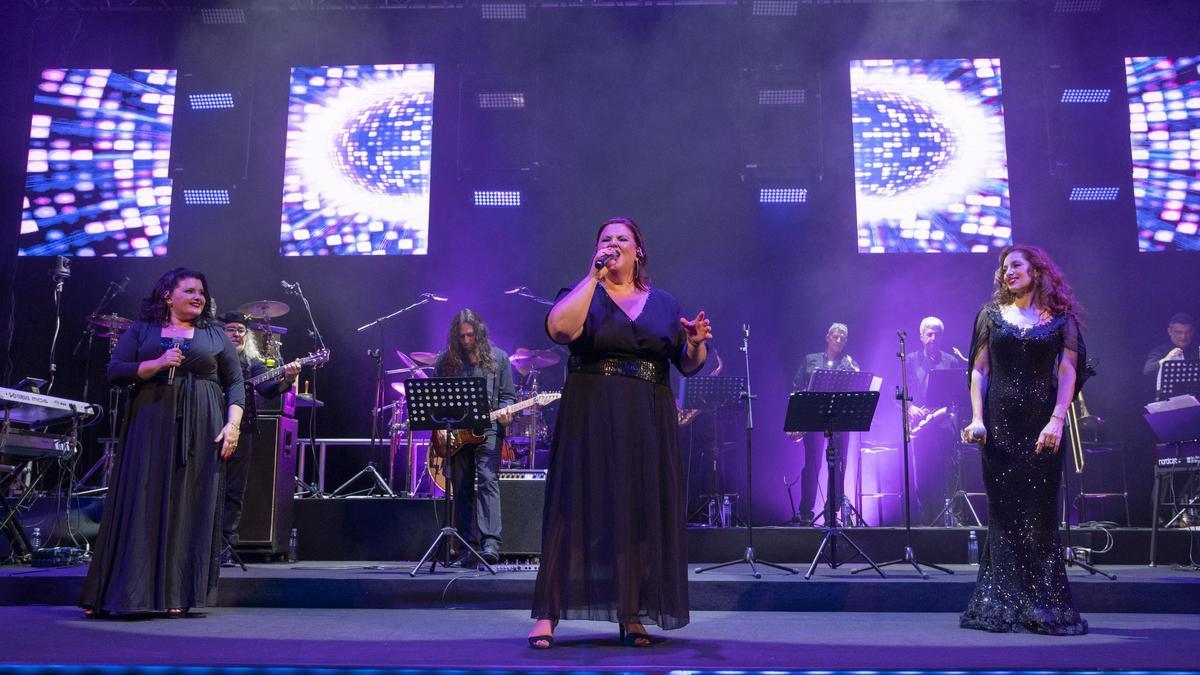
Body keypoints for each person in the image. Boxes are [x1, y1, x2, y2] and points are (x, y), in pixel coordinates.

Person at [529, 217, 711, 649]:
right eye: (605, 239)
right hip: (590, 410)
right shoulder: (581, 294)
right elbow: (560, 329)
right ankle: (547, 615)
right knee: (572, 511)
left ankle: (632, 614)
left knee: (639, 513)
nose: (613, 245)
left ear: (638, 251)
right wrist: (592, 277)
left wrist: (695, 343)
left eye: (621, 239)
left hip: (647, 414)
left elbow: (687, 364)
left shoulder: (664, 303)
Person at [80, 268, 244, 618]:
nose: (198, 296)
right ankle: (126, 592)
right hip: (150, 425)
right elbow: (116, 370)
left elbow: (235, 383)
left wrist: (233, 426)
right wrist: (156, 363)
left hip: (202, 427)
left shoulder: (215, 334)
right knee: (142, 499)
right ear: (168, 296)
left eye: (201, 291)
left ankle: (178, 593)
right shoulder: (143, 330)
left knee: (190, 506)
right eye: (189, 291)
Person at [960, 244, 1089, 635]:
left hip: (1042, 427)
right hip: (999, 427)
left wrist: (1057, 421)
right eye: (1004, 268)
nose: (1007, 272)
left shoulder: (1061, 319)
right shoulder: (991, 316)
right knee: (1004, 514)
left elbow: (1068, 372)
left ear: (1037, 270)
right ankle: (1001, 600)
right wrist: (978, 419)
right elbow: (979, 371)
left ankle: (1042, 604)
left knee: (1039, 515)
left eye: (1015, 265)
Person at [216, 312, 302, 566]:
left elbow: (269, 389)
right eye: (231, 329)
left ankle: (224, 548)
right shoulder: (208, 360)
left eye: (241, 330)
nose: (237, 334)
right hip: (208, 426)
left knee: (233, 491)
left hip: (240, 432)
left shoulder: (252, 362)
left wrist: (288, 377)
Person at [434, 309, 516, 566]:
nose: (466, 340)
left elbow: (507, 398)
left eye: (470, 335)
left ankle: (490, 544)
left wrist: (506, 415)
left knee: (488, 480)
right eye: (461, 336)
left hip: (489, 429)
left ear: (478, 334)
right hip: (457, 431)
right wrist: (440, 428)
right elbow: (436, 401)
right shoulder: (445, 361)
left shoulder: (499, 358)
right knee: (462, 486)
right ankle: (468, 547)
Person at [790, 323, 860, 526]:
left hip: (838, 420)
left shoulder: (849, 363)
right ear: (827, 337)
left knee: (838, 466)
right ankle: (806, 512)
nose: (838, 341)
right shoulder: (810, 360)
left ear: (846, 342)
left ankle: (832, 512)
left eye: (842, 338)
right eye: (835, 336)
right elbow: (796, 389)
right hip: (814, 418)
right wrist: (795, 421)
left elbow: (857, 389)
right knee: (812, 464)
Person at [905, 316, 967, 525]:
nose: (933, 338)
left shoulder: (950, 360)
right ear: (921, 337)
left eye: (937, 334)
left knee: (947, 471)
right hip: (920, 426)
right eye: (929, 334)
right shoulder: (910, 359)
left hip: (943, 424)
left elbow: (958, 393)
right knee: (922, 473)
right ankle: (927, 520)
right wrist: (910, 407)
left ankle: (949, 519)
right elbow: (896, 392)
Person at [1143, 312, 1197, 397]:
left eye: (1188, 332)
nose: (1183, 337)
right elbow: (1148, 371)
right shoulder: (1160, 350)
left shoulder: (1197, 349)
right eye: (1179, 332)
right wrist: (1166, 359)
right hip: (1168, 400)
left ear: (1193, 332)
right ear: (1170, 332)